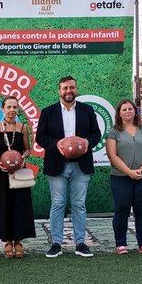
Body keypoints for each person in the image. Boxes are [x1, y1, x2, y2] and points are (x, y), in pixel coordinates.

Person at [36, 75, 102, 258]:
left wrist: (87, 142)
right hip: (57, 164)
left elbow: (96, 134)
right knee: (58, 204)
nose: (68, 91)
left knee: (79, 204)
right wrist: (57, 144)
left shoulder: (87, 110)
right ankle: (56, 243)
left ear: (76, 89)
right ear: (59, 91)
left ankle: (80, 243)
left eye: (71, 88)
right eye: (65, 88)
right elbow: (40, 138)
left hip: (81, 165)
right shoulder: (48, 112)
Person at [106, 99, 142, 255]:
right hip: (120, 177)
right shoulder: (114, 132)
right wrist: (129, 172)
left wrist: (141, 170)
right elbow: (112, 156)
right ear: (119, 113)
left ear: (135, 111)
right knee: (121, 210)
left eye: (130, 109)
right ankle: (121, 244)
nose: (127, 111)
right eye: (124, 110)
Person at [0, 96, 36, 258]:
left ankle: (19, 240)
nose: (12, 110)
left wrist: (23, 158)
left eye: (15, 107)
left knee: (20, 205)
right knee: (4, 205)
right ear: (2, 109)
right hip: (2, 173)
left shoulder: (23, 128)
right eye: (9, 107)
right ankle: (8, 241)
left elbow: (28, 149)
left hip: (20, 171)